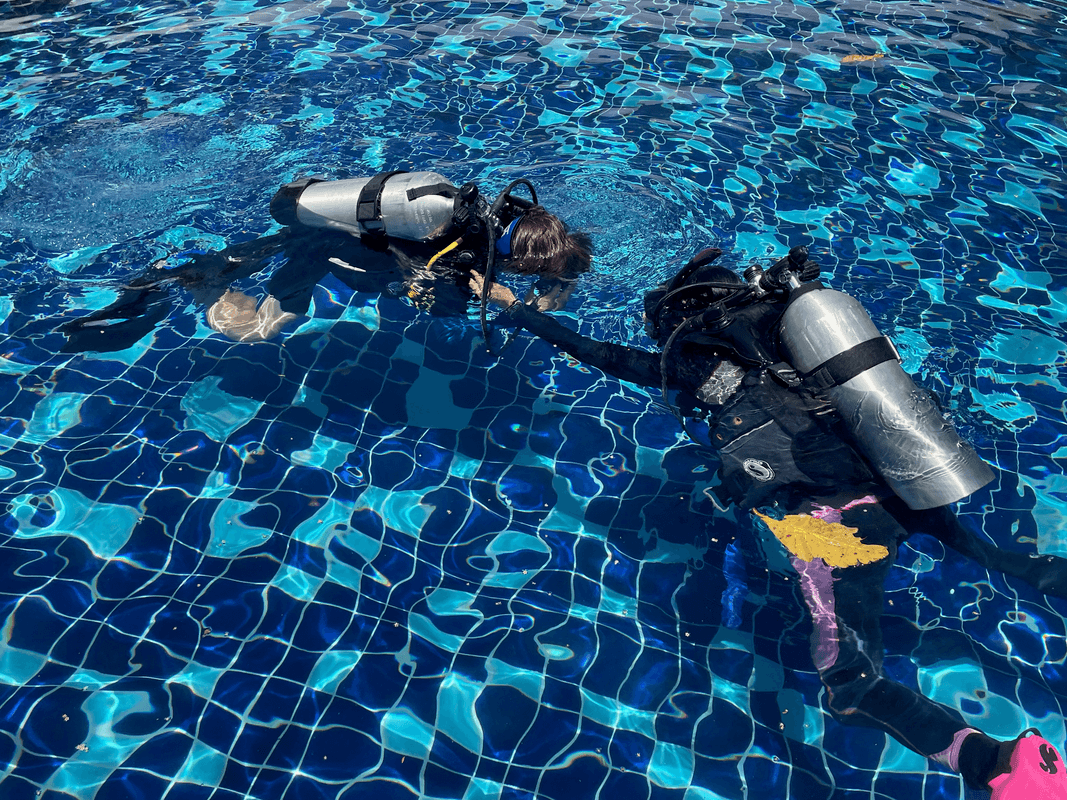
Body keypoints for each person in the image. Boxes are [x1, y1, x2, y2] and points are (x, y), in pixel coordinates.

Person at [472, 245, 1067, 800]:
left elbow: (600, 355)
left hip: (829, 523)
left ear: (674, 321)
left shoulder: (690, 360)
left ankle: (996, 765)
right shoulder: (782, 337)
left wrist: (517, 309)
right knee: (996, 558)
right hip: (899, 485)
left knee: (849, 684)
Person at [59, 170, 592, 352]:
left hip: (340, 238)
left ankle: (201, 273)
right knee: (257, 332)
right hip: (325, 252)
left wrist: (547, 295)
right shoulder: (461, 257)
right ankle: (195, 283)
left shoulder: (516, 220)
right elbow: (427, 300)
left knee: (256, 254)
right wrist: (497, 302)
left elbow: (569, 261)